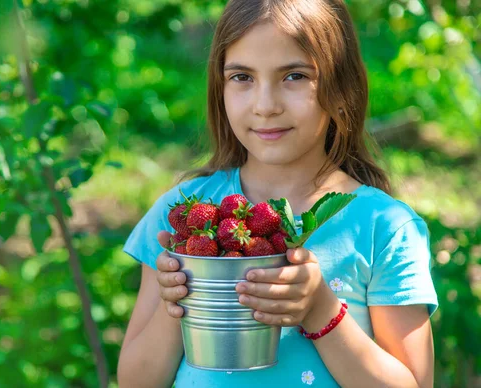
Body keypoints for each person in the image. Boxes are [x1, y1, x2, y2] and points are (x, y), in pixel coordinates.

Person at [117, 0, 438, 386]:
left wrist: (322, 311)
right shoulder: (183, 214)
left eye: (294, 76)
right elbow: (136, 381)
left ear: (341, 87)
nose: (265, 105)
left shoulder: (383, 227)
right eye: (242, 77)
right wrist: (181, 305)